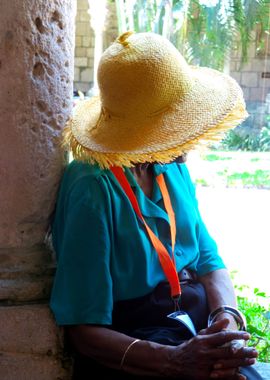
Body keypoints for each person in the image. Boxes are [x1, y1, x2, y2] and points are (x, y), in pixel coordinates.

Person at [49, 31, 263, 380]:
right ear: (143, 131)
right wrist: (175, 361)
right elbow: (84, 331)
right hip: (136, 349)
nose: (190, 134)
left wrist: (225, 318)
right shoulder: (92, 187)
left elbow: (208, 260)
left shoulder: (171, 166)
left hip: (190, 331)